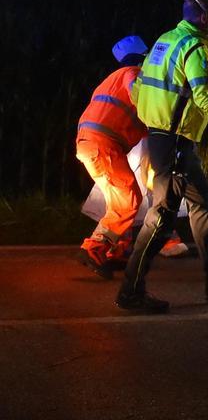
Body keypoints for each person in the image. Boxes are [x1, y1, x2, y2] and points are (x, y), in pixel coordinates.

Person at [115, 0, 208, 313]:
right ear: (207, 18)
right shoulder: (195, 48)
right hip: (175, 143)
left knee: (205, 204)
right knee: (162, 218)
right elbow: (207, 98)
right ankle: (130, 290)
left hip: (162, 139)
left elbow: (139, 90)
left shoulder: (164, 42)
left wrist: (157, 121)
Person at [75, 36, 151, 279]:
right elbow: (139, 98)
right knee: (129, 199)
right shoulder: (133, 73)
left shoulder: (110, 79)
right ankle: (95, 248)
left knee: (118, 201)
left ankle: (114, 250)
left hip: (93, 144)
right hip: (104, 145)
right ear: (144, 57)